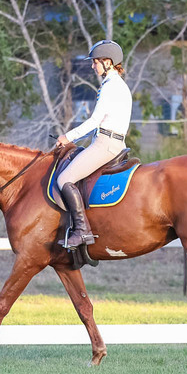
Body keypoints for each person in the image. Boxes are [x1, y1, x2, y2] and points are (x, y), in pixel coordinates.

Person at [55, 39, 132, 248]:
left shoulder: (110, 87)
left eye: (95, 62)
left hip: (105, 143)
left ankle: (82, 231)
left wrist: (67, 138)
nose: (92, 66)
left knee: (64, 179)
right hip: (111, 141)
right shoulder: (117, 85)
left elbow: (94, 121)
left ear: (108, 62)